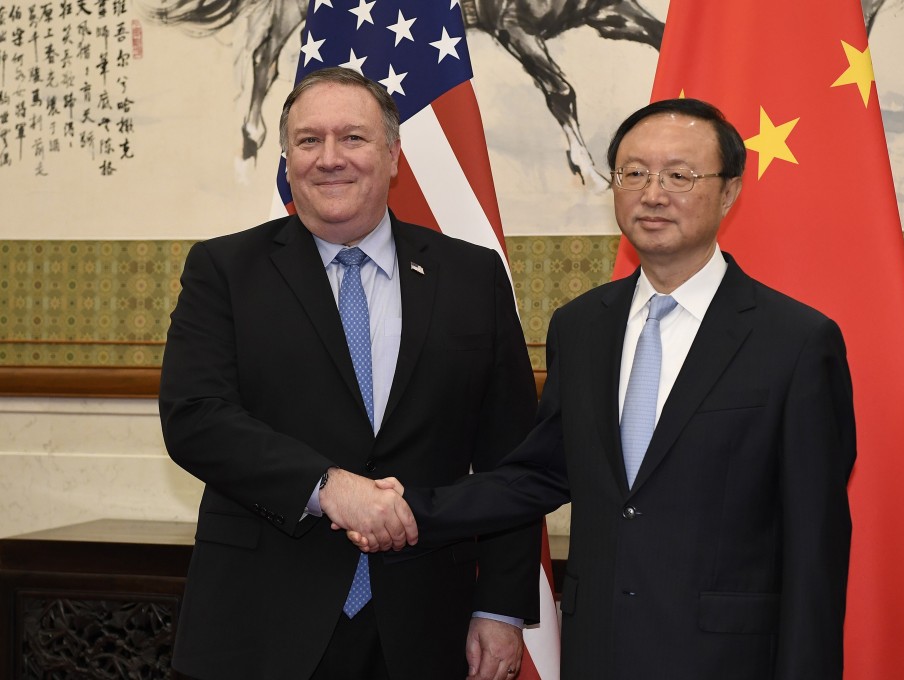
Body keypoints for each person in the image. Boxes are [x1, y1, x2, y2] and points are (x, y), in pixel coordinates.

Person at [354, 98, 857, 680]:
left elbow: (815, 549)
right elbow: (540, 474)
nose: (653, 193)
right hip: (599, 651)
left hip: (728, 659)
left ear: (729, 192)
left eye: (680, 175)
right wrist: (409, 506)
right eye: (634, 173)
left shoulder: (796, 341)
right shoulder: (582, 326)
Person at [159, 67, 541, 680]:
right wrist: (327, 486)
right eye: (308, 141)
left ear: (393, 155)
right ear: (286, 159)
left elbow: (512, 458)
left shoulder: (472, 277)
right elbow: (196, 419)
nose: (329, 159)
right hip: (261, 621)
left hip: (429, 625)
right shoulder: (225, 270)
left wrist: (500, 605)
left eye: (353, 139)